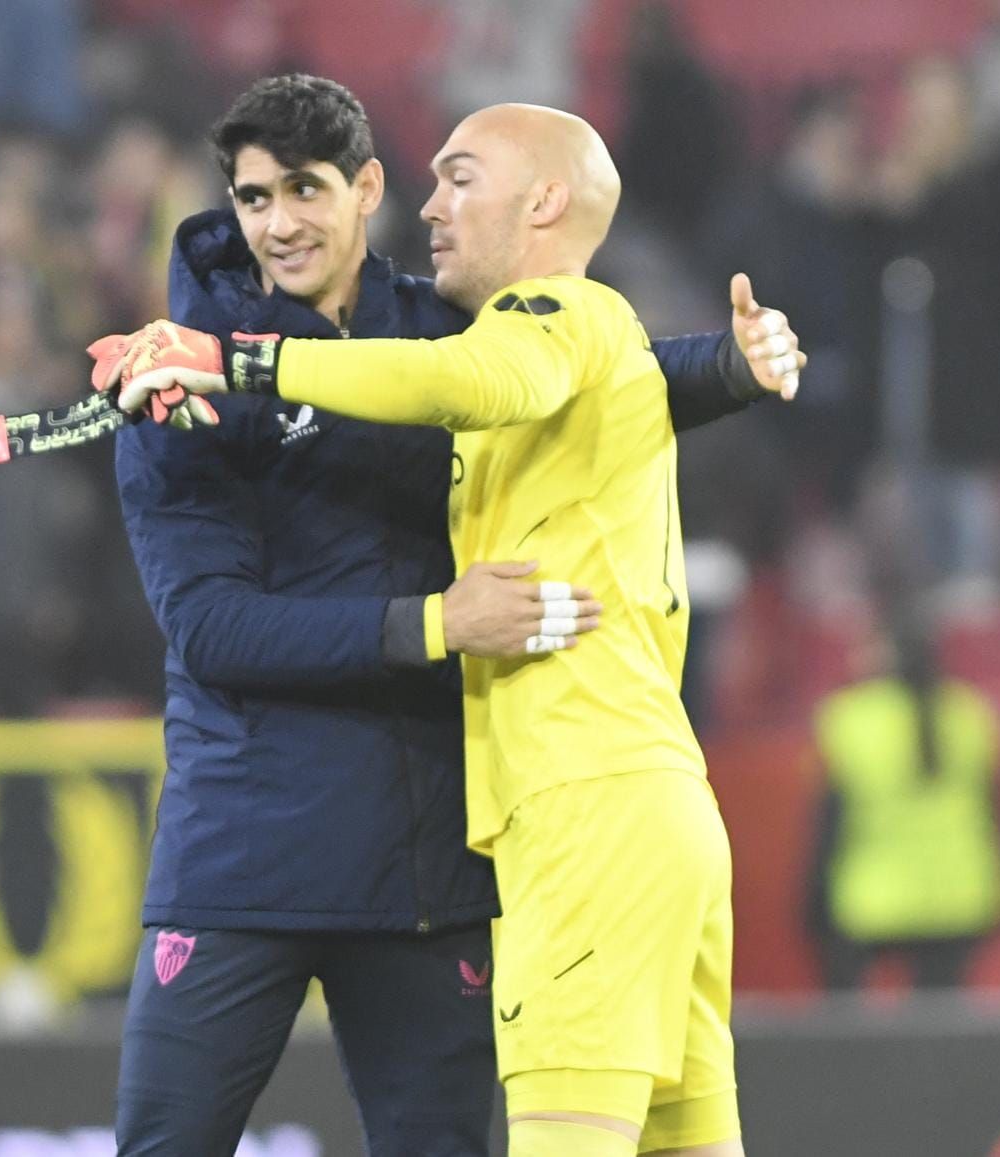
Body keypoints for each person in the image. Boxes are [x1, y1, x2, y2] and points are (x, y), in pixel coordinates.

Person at [102, 78, 801, 1156]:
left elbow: (555, 368)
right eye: (251, 198)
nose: (278, 220)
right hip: (247, 843)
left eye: (304, 188)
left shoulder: (445, 337)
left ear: (362, 190)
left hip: (426, 849)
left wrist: (722, 367)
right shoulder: (173, 386)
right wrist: (435, 624)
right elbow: (210, 631)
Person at [805, 620, 1000, 992]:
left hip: (871, 895)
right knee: (942, 1035)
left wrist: (812, 902)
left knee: (842, 1033)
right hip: (960, 896)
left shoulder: (850, 718)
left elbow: (830, 822)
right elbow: (996, 814)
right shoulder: (971, 713)